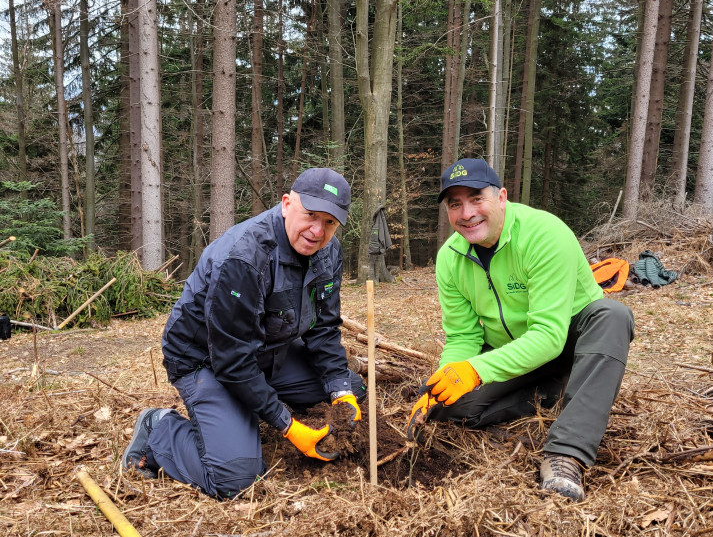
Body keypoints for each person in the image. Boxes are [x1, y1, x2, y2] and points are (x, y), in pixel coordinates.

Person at [124, 168, 366, 499]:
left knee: (350, 388)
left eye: (329, 223)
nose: (317, 231)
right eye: (310, 215)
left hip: (267, 351)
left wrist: (340, 393)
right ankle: (159, 429)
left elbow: (323, 329)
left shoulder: (329, 252)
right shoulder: (243, 257)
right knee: (236, 481)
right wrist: (287, 425)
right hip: (206, 361)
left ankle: (245, 412)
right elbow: (232, 361)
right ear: (286, 204)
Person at [408, 158, 634, 502]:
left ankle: (566, 455)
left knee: (612, 314)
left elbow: (547, 336)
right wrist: (441, 382)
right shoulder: (449, 258)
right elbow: (463, 337)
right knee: (447, 409)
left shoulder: (544, 234)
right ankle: (560, 394)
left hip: (572, 346)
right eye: (455, 204)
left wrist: (475, 369)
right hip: (514, 355)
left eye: (476, 199)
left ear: (501, 197)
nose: (466, 213)